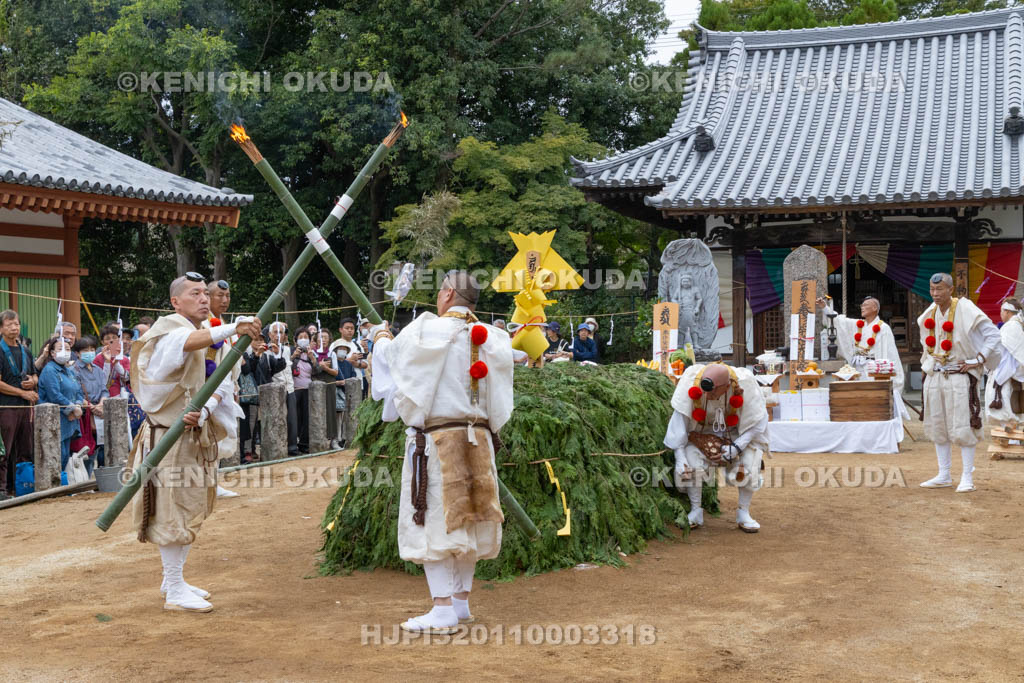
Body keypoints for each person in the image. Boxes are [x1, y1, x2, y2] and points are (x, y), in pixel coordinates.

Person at [369, 270, 514, 633]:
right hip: (480, 439)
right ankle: (460, 603)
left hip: (437, 442)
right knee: (470, 519)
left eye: (439, 291)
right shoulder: (493, 338)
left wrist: (380, 336)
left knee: (434, 521)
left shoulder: (426, 329)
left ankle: (443, 607)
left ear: (448, 294)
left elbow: (393, 358)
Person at [128, 273, 260, 612]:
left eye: (205, 293)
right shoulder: (167, 329)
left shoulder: (212, 334)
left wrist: (205, 410)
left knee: (190, 506)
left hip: (195, 433)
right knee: (172, 509)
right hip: (167, 436)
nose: (203, 298)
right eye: (194, 293)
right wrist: (233, 327)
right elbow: (184, 343)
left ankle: (174, 579)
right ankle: (173, 588)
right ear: (176, 302)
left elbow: (222, 382)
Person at [918, 273, 1000, 493]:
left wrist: (978, 360)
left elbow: (993, 336)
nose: (935, 294)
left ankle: (967, 477)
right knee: (937, 425)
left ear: (951, 289)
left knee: (964, 425)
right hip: (935, 375)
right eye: (932, 289)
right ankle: (943, 474)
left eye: (940, 289)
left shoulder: (966, 308)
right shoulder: (930, 312)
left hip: (959, 375)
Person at [664, 362, 768, 532]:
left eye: (712, 392)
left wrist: (736, 448)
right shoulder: (691, 381)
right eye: (705, 390)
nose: (708, 395)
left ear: (727, 386)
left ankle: (744, 512)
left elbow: (759, 422)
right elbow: (678, 424)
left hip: (736, 435)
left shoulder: (745, 382)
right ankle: (695, 510)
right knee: (689, 461)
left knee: (750, 462)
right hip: (701, 435)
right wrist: (680, 458)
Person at [816, 295, 907, 418]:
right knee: (858, 396)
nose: (862, 307)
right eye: (862, 305)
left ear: (875, 308)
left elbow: (889, 352)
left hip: (873, 369)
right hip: (857, 368)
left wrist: (884, 371)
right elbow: (839, 321)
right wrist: (824, 307)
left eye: (865, 305)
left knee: (873, 398)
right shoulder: (858, 325)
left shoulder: (883, 328)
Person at [203, 279, 242, 497]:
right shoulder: (204, 323)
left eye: (227, 296)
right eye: (220, 295)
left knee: (219, 435)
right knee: (207, 436)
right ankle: (206, 484)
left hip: (225, 385)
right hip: (208, 386)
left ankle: (212, 482)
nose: (225, 300)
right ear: (208, 296)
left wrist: (233, 385)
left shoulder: (225, 323)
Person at [0, 310, 38, 498]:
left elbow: (34, 374)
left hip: (25, 407)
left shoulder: (25, 351)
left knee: (25, 448)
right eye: (9, 325)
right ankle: (2, 489)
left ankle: (21, 487)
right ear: (1, 328)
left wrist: (33, 381)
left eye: (16, 324)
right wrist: (22, 392)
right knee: (4, 450)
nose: (14, 328)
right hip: (6, 407)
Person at [37, 336, 86, 471]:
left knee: (64, 456)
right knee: (56, 456)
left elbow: (79, 392)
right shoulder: (49, 370)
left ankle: (61, 482)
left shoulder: (70, 371)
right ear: (52, 353)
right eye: (60, 348)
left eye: (68, 349)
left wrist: (77, 406)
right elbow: (54, 395)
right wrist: (71, 408)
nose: (65, 351)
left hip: (69, 418)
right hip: (54, 418)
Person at [71, 335, 108, 474]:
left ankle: (93, 477)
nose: (89, 353)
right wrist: (91, 407)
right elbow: (76, 393)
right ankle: (82, 479)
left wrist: (101, 404)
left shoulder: (98, 369)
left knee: (98, 447)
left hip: (100, 412)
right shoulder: (74, 370)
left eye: (92, 349)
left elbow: (104, 390)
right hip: (84, 413)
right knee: (83, 449)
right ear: (77, 353)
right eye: (85, 350)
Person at [985, 298, 1024, 431]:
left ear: (1007, 311)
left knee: (1006, 408)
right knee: (1008, 408)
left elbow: (1008, 353)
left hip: (1006, 372)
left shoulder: (1011, 326)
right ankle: (1011, 437)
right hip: (1010, 372)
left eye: (1002, 311)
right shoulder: (1016, 325)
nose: (1001, 314)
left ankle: (1012, 438)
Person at [265, 321, 299, 456]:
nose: (278, 335)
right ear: (269, 334)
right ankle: (277, 447)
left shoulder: (287, 349)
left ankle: (292, 447)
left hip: (289, 387)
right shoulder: (265, 350)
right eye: (275, 332)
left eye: (281, 332)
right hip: (274, 389)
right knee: (276, 419)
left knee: (292, 418)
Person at [291, 328, 316, 454]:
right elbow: (284, 367)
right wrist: (293, 356)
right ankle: (293, 443)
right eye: (300, 337)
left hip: (308, 389)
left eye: (306, 337)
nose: (303, 339)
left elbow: (317, 371)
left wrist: (312, 358)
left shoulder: (311, 353)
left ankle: (304, 443)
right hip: (294, 389)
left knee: (307, 417)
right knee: (295, 417)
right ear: (295, 340)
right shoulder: (291, 351)